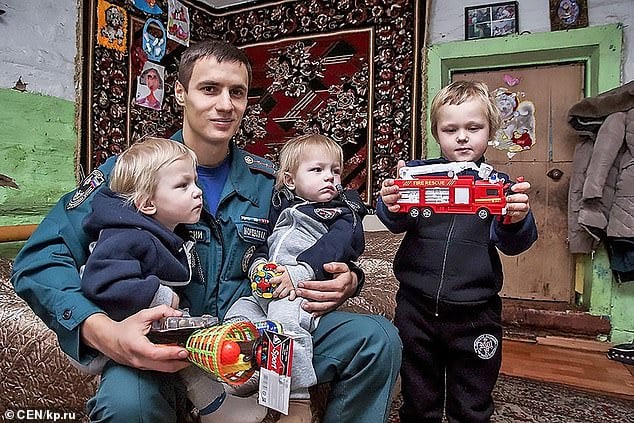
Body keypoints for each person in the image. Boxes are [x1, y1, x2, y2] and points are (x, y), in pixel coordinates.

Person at [11, 40, 401, 423]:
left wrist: (350, 278)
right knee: (128, 407)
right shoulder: (134, 173)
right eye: (209, 89)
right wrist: (104, 334)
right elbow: (40, 259)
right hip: (162, 342)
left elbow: (323, 231)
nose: (225, 105)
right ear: (180, 92)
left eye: (238, 92)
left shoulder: (271, 181)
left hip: (252, 333)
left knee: (376, 340)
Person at [376, 80, 538, 423]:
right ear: (436, 132)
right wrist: (389, 202)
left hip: (475, 312)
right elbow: (394, 221)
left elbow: (515, 244)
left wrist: (516, 218)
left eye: (473, 128)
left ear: (490, 130)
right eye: (451, 129)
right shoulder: (417, 175)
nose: (462, 137)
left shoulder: (500, 185)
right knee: (418, 395)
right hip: (416, 307)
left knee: (473, 398)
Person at [77, 136, 243, 419]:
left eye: (195, 182)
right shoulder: (127, 236)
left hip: (151, 328)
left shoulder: (163, 231)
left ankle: (216, 405)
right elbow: (102, 283)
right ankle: (218, 409)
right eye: (182, 186)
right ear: (147, 204)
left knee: (186, 357)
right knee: (184, 360)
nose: (197, 192)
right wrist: (163, 297)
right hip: (125, 333)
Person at [224, 133, 368, 419]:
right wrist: (258, 264)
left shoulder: (343, 212)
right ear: (290, 180)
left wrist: (300, 272)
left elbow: (336, 246)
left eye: (335, 171)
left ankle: (297, 399)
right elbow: (265, 243)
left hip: (300, 289)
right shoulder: (282, 208)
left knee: (284, 324)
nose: (330, 178)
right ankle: (250, 370)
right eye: (317, 170)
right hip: (267, 289)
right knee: (238, 313)